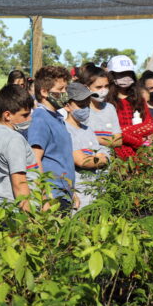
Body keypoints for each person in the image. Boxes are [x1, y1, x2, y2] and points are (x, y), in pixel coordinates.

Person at [27, 65, 76, 212]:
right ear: (44, 92)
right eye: (60, 90)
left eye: (65, 89)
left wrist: (72, 193)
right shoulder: (40, 118)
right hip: (52, 196)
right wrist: (44, 198)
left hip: (64, 194)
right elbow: (35, 161)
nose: (64, 93)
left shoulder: (57, 117)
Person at [0, 84, 39, 210]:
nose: (29, 118)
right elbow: (19, 184)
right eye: (25, 115)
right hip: (15, 213)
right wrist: (30, 220)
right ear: (8, 115)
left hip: (0, 208)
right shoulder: (14, 140)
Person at [62, 82, 108, 210]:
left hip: (96, 191)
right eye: (81, 105)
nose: (85, 109)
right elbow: (82, 161)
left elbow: (104, 153)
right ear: (67, 106)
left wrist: (99, 158)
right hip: (79, 194)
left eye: (87, 104)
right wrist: (101, 159)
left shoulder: (88, 129)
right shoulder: (65, 129)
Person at [107, 55, 153, 160]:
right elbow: (108, 132)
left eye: (128, 73)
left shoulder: (138, 99)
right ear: (112, 75)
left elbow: (149, 126)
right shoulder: (106, 102)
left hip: (140, 154)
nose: (126, 77)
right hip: (115, 154)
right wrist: (138, 141)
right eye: (121, 74)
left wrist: (122, 132)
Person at [79, 64, 122, 156]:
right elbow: (78, 139)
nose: (103, 90)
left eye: (106, 86)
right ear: (86, 87)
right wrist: (108, 139)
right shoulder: (80, 110)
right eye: (98, 87)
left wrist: (93, 137)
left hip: (108, 165)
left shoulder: (110, 108)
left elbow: (118, 141)